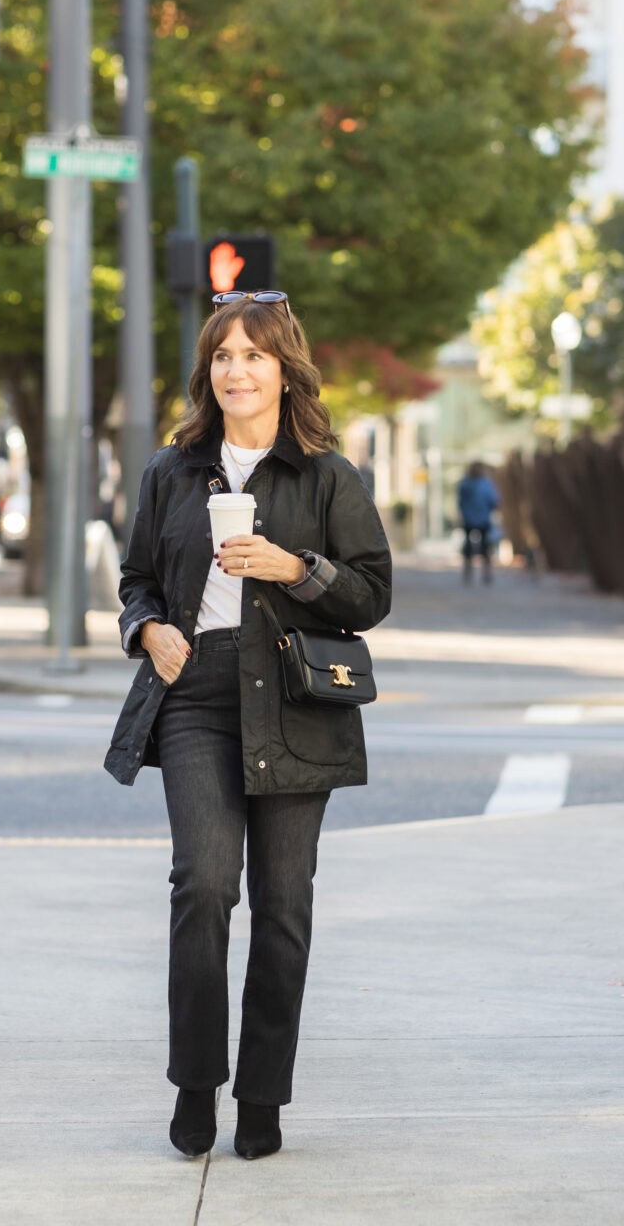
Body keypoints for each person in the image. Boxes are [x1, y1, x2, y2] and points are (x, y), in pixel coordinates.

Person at [104, 290, 392, 1162]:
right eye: (222, 356)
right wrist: (145, 629)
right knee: (201, 884)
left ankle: (261, 1097)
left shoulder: (327, 476)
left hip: (296, 700)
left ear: (282, 369)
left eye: (253, 355)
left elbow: (371, 593)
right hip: (195, 689)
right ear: (209, 373)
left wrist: (295, 568)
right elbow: (136, 578)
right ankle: (196, 1082)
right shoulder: (170, 471)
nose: (236, 370)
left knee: (284, 904)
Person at [457, 460, 501, 584]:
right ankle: (485, 572)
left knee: (473, 547)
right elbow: (494, 500)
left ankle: (469, 571)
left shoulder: (465, 483)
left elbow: (460, 502)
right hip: (482, 519)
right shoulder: (485, 484)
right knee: (484, 546)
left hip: (471, 519)